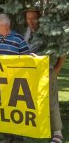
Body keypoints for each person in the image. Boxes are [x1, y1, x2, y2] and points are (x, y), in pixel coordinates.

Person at [24, 8, 66, 143]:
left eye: (33, 18)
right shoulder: (27, 32)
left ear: (40, 18)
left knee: (51, 102)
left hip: (48, 72)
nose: (30, 22)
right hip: (32, 74)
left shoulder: (48, 32)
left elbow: (62, 51)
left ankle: (58, 134)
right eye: (28, 19)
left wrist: (56, 71)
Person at [0, 14, 29, 143]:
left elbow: (26, 61)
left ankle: (18, 137)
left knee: (16, 109)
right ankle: (7, 136)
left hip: (15, 81)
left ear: (5, 26)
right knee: (2, 108)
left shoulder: (19, 40)